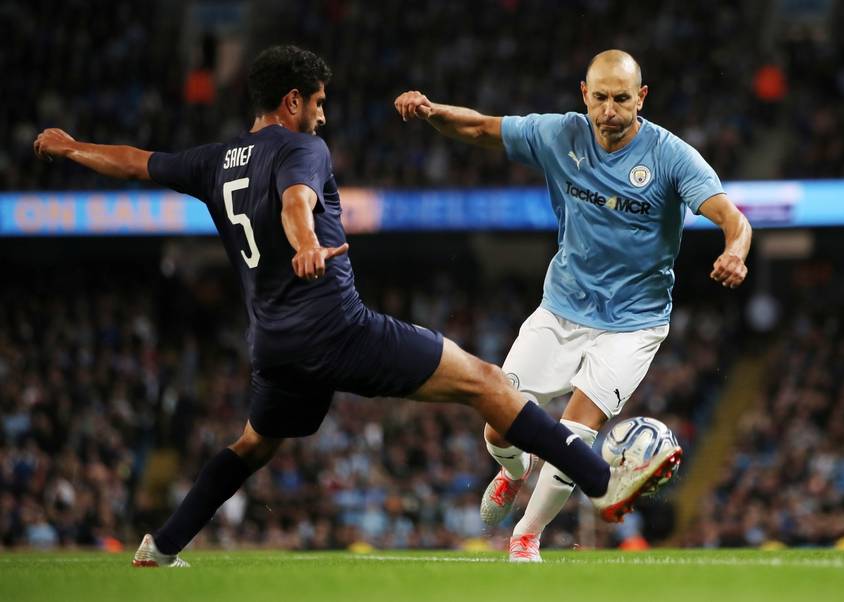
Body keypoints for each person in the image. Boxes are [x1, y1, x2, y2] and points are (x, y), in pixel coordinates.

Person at [33, 45, 679, 567]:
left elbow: (137, 162)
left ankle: (162, 545)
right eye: (317, 103)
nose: (323, 117)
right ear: (292, 101)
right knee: (486, 383)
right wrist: (308, 242)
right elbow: (295, 201)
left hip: (273, 345)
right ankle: (601, 481)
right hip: (336, 327)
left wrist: (70, 148)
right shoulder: (301, 149)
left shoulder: (212, 162)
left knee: (254, 444)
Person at [395, 49, 751, 562]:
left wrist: (735, 252)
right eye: (600, 97)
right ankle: (513, 472)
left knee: (574, 431)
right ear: (585, 95)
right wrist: (431, 112)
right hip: (562, 307)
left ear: (641, 98)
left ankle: (527, 535)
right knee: (497, 423)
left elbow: (733, 218)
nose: (610, 109)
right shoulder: (559, 134)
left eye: (622, 99)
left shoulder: (671, 157)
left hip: (634, 323)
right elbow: (480, 129)